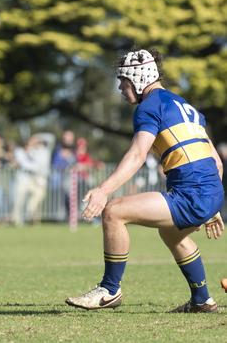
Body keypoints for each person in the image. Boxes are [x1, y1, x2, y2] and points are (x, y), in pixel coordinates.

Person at [65, 49, 224, 313]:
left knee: (114, 211)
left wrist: (103, 190)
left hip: (193, 194)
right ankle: (202, 300)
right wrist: (211, 205)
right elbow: (216, 162)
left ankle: (109, 289)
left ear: (139, 79)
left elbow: (138, 154)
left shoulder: (150, 106)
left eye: (123, 81)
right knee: (171, 234)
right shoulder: (186, 107)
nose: (119, 88)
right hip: (210, 192)